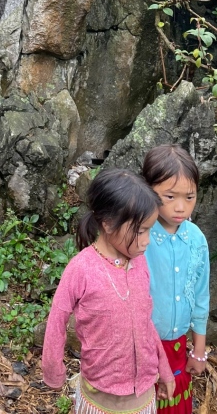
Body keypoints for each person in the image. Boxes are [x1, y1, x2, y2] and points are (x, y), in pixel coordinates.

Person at [42, 169, 175, 414]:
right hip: (100, 401)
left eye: (150, 230)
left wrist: (164, 370)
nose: (147, 240)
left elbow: (146, 323)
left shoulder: (140, 263)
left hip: (144, 398)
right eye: (141, 230)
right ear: (108, 223)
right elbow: (57, 321)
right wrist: (53, 370)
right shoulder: (81, 269)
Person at [142, 145, 210, 414]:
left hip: (178, 348)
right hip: (143, 348)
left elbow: (200, 295)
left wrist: (199, 350)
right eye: (169, 196)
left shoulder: (196, 240)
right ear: (148, 191)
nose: (181, 207)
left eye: (190, 197)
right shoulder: (138, 239)